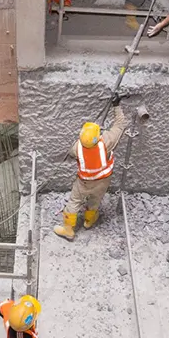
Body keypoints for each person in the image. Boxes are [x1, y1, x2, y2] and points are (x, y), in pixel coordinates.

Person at [53, 98, 128, 241]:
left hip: (84, 183)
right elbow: (120, 125)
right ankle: (89, 220)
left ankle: (68, 230)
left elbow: (71, 154)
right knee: (95, 200)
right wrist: (116, 106)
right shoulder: (106, 142)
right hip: (103, 181)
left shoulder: (76, 148)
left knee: (74, 201)